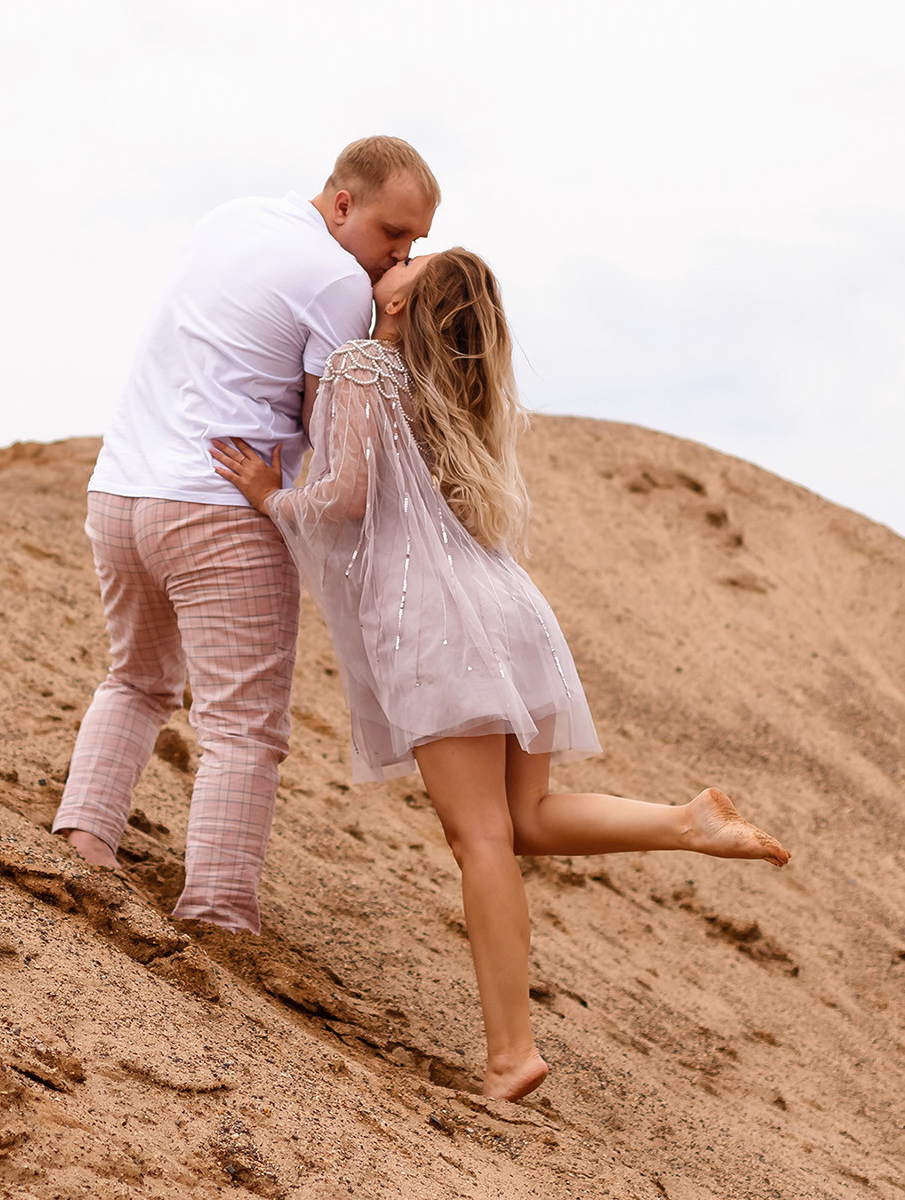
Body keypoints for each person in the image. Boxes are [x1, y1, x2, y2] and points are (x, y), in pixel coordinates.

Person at [210, 248, 791, 1102]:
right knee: (523, 819)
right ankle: (685, 821)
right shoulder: (458, 391)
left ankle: (510, 1054)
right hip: (507, 607)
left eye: (408, 265)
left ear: (404, 306)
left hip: (439, 620)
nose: (391, 264)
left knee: (478, 838)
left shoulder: (363, 362)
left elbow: (345, 497)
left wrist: (270, 495)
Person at [52, 137, 440, 933]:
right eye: (393, 234)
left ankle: (83, 841)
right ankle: (219, 908)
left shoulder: (230, 218)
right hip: (221, 511)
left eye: (415, 243)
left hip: (122, 488)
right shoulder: (337, 278)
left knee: (134, 681)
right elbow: (322, 419)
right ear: (342, 205)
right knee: (242, 725)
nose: (400, 254)